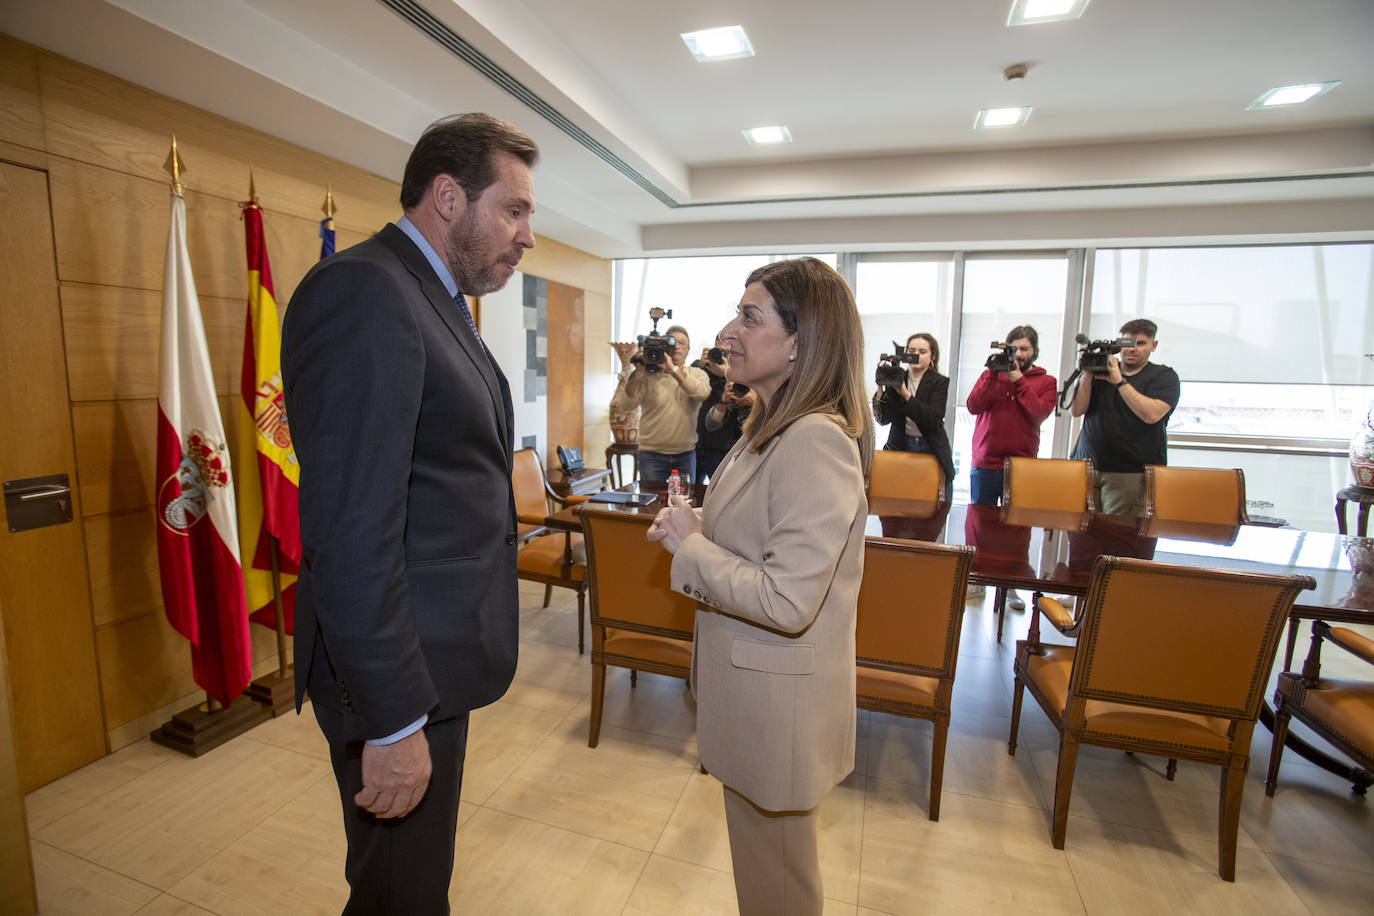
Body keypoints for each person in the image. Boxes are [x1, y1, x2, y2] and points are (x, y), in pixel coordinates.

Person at [281, 113, 536, 913]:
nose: (527, 235)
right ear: (449, 196)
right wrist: (393, 722)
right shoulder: (365, 291)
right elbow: (352, 529)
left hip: (434, 660)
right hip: (394, 678)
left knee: (412, 886)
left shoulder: (430, 295)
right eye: (516, 210)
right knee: (400, 894)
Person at [646, 257, 873, 915]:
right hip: (754, 698)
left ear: (801, 341)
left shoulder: (814, 441)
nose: (726, 331)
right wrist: (697, 532)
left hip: (779, 712)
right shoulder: (762, 431)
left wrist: (690, 549)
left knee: (778, 890)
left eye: (750, 317)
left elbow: (787, 598)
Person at [965, 325, 1058, 610]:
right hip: (985, 461)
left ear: (1034, 351)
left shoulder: (1046, 381)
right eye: (1013, 348)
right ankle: (977, 580)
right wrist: (993, 375)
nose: (1017, 354)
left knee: (1017, 529)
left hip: (1022, 467)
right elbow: (972, 405)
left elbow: (1038, 413)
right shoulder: (990, 375)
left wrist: (1018, 380)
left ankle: (1011, 585)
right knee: (978, 526)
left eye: (1024, 349)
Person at [1070, 318, 1181, 516]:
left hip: (1130, 473)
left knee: (1118, 538)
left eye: (1140, 344)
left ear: (1153, 346)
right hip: (1086, 466)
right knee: (1081, 537)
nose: (1132, 349)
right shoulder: (1102, 369)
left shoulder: (1163, 376)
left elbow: (1151, 415)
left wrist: (1119, 381)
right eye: (1127, 344)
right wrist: (1088, 375)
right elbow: (1076, 410)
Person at [611, 324, 710, 484]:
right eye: (672, 342)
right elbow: (625, 405)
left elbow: (702, 393)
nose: (677, 346)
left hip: (685, 454)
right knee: (650, 505)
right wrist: (639, 372)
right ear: (664, 347)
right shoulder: (648, 377)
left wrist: (672, 369)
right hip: (651, 454)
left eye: (682, 343)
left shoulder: (697, 373)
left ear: (688, 349)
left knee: (682, 503)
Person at [872, 332, 955, 500]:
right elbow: (883, 419)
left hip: (930, 447)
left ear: (933, 356)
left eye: (922, 351)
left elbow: (932, 420)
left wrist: (905, 394)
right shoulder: (897, 377)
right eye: (911, 350)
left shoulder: (939, 382)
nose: (916, 355)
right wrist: (881, 387)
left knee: (930, 502)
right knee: (897, 500)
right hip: (900, 444)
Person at [693, 336, 755, 483]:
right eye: (719, 351)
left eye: (728, 352)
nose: (723, 357)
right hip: (697, 443)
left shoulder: (742, 374)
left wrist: (728, 374)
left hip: (723, 447)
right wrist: (700, 367)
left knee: (719, 491)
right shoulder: (702, 368)